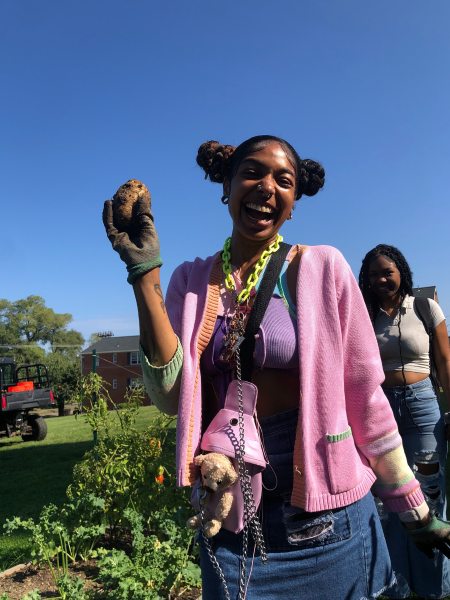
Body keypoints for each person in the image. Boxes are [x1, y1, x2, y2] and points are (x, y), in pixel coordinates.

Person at [103, 136, 450, 600]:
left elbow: (365, 400)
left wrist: (414, 509)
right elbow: (170, 399)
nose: (267, 187)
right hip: (228, 510)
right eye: (252, 172)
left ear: (292, 204)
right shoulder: (190, 279)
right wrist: (144, 275)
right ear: (226, 186)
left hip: (326, 511)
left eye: (283, 180)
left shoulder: (323, 267)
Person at [359, 244, 450, 599]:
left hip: (423, 406)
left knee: (430, 491)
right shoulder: (365, 315)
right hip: (381, 408)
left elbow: (444, 361)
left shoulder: (426, 307)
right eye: (373, 275)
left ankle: (433, 587)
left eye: (387, 271)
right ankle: (396, 585)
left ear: (401, 271)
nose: (381, 279)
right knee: (390, 494)